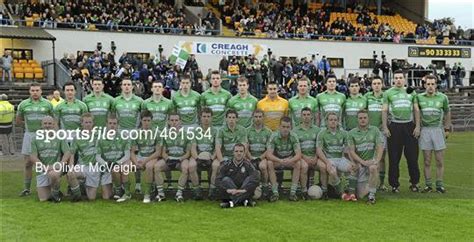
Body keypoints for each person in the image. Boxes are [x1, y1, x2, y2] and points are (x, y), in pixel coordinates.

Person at [382, 70, 421, 193]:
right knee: (394, 158)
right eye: (396, 77)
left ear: (404, 79)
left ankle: (414, 183)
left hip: (409, 126)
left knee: (412, 157)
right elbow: (384, 110)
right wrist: (385, 127)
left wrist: (417, 126)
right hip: (395, 126)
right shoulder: (388, 93)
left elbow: (416, 110)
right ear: (393, 79)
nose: (398, 80)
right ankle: (394, 185)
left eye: (400, 78)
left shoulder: (411, 92)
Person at [17, 83, 54, 196]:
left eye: (37, 90)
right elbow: (18, 121)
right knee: (28, 163)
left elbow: (54, 120)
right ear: (29, 91)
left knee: (47, 161)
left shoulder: (48, 104)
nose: (35, 92)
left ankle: (52, 187)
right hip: (30, 135)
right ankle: (27, 189)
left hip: (45, 135)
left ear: (41, 91)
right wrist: (30, 126)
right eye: (32, 90)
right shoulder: (23, 104)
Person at [417, 75, 451, 193]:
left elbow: (447, 113)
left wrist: (447, 128)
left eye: (433, 84)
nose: (430, 86)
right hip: (425, 130)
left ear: (436, 85)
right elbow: (416, 113)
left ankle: (440, 185)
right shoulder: (419, 97)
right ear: (425, 85)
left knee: (439, 160)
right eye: (428, 84)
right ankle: (428, 185)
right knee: (427, 160)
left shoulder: (443, 97)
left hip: (438, 130)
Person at [69, 113, 112, 201]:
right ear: (82, 123)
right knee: (71, 174)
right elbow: (72, 154)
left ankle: (83, 185)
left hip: (95, 168)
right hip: (83, 166)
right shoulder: (77, 137)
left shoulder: (99, 135)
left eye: (90, 122)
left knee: (91, 198)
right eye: (86, 122)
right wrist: (71, 167)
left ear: (93, 123)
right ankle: (77, 196)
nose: (88, 124)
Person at [30, 116, 73, 202]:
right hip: (42, 169)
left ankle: (55, 195)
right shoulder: (35, 138)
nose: (47, 125)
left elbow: (67, 152)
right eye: (45, 123)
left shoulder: (59, 137)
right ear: (41, 125)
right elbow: (33, 157)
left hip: (56, 168)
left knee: (53, 175)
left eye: (50, 123)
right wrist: (44, 167)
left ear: (53, 125)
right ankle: (55, 190)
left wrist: (60, 164)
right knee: (43, 199)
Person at [316, 113, 358, 201]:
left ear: (338, 121)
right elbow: (319, 150)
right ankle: (342, 193)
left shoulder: (343, 133)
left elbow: (349, 149)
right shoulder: (322, 133)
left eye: (335, 120)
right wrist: (327, 162)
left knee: (353, 168)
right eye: (331, 120)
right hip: (329, 159)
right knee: (332, 171)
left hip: (340, 158)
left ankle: (351, 194)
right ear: (326, 121)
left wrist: (352, 161)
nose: (333, 122)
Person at [112, 78, 143, 192]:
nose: (126, 86)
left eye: (128, 84)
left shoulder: (139, 101)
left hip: (134, 133)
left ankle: (138, 184)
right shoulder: (115, 101)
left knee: (136, 157)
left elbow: (142, 118)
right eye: (124, 84)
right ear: (121, 86)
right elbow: (113, 117)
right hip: (121, 133)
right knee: (121, 158)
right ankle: (119, 186)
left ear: (132, 87)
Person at [347, 110, 384, 204]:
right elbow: (351, 151)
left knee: (373, 168)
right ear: (357, 120)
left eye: (365, 118)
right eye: (360, 118)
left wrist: (377, 161)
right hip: (360, 164)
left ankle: (372, 196)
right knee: (360, 195)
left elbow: (380, 147)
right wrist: (363, 162)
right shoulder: (351, 133)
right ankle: (370, 185)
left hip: (371, 162)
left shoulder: (375, 130)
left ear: (368, 119)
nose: (363, 120)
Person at [155, 113, 192, 202]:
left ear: (180, 122)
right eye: (172, 120)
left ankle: (179, 194)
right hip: (169, 159)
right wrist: (167, 158)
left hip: (181, 159)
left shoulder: (187, 134)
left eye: (176, 120)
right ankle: (161, 193)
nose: (174, 122)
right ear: (168, 122)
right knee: (156, 167)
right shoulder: (165, 134)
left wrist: (180, 159)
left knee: (185, 168)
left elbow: (188, 153)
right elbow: (163, 152)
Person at [96, 114, 133, 202]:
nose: (112, 125)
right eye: (110, 123)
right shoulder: (101, 138)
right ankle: (118, 187)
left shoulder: (123, 137)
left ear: (118, 125)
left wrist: (118, 163)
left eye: (114, 123)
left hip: (119, 163)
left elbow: (127, 155)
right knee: (106, 197)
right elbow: (97, 156)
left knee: (119, 168)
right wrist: (106, 164)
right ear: (106, 124)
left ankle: (122, 191)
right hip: (106, 167)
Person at [213, 109, 248, 199]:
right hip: (225, 157)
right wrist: (222, 161)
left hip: (238, 157)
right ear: (226, 119)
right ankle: (213, 190)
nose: (231, 120)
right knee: (215, 165)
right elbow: (218, 147)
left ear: (237, 119)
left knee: (247, 167)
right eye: (229, 117)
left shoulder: (242, 130)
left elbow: (244, 147)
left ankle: (243, 189)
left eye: (233, 118)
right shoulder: (221, 130)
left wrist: (239, 160)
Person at [293, 107, 327, 199]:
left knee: (323, 167)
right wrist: (305, 158)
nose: (306, 117)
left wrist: (316, 157)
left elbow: (319, 147)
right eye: (304, 115)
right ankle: (304, 192)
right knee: (304, 167)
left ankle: (324, 191)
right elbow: (296, 149)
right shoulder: (295, 131)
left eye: (308, 115)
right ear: (300, 117)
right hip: (302, 157)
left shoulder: (317, 130)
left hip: (315, 157)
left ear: (312, 116)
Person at [266, 116, 302, 202]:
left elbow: (299, 154)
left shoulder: (294, 136)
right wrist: (279, 160)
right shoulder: (274, 136)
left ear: (291, 127)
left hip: (289, 160)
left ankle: (293, 193)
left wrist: (290, 160)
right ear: (279, 127)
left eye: (288, 127)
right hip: (277, 160)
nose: (285, 129)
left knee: (298, 163)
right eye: (283, 127)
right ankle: (275, 193)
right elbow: (268, 154)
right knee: (269, 163)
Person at [131, 110, 162, 203]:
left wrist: (144, 162)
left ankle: (147, 193)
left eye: (148, 120)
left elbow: (158, 152)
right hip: (140, 156)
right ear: (141, 121)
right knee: (128, 165)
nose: (146, 123)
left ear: (151, 121)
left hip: (152, 157)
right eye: (144, 120)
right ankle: (126, 191)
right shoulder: (136, 133)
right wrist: (136, 162)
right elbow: (132, 152)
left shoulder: (157, 133)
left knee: (149, 166)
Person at [217, 143, 260, 208]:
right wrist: (227, 190)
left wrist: (243, 190)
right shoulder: (227, 164)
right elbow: (218, 180)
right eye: (236, 151)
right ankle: (244, 201)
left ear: (244, 153)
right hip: (231, 190)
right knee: (225, 179)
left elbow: (256, 179)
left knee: (251, 180)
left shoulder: (248, 165)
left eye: (241, 151)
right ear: (233, 153)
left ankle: (231, 203)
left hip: (243, 189)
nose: (239, 153)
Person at [365, 76, 388, 191]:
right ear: (371, 85)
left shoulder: (386, 96)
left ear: (382, 84)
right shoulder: (367, 97)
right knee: (368, 156)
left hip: (382, 131)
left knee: (382, 157)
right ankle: (369, 181)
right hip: (369, 132)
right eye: (374, 83)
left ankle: (382, 183)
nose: (377, 85)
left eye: (379, 83)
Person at [190, 108, 218, 200]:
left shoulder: (216, 131)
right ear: (200, 118)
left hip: (211, 157)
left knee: (215, 166)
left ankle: (212, 191)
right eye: (204, 116)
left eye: (208, 116)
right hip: (198, 156)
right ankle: (197, 191)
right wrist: (197, 158)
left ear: (212, 118)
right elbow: (193, 148)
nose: (206, 119)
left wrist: (212, 158)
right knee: (192, 165)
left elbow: (217, 148)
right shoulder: (195, 131)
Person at [246, 109, 273, 198]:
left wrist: (260, 158)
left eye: (260, 117)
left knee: (262, 166)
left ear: (263, 118)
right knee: (246, 166)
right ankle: (247, 188)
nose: (258, 119)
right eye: (256, 117)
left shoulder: (268, 132)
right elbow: (245, 147)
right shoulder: (247, 131)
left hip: (263, 157)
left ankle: (265, 186)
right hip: (250, 156)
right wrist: (251, 158)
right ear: (252, 118)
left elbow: (269, 149)